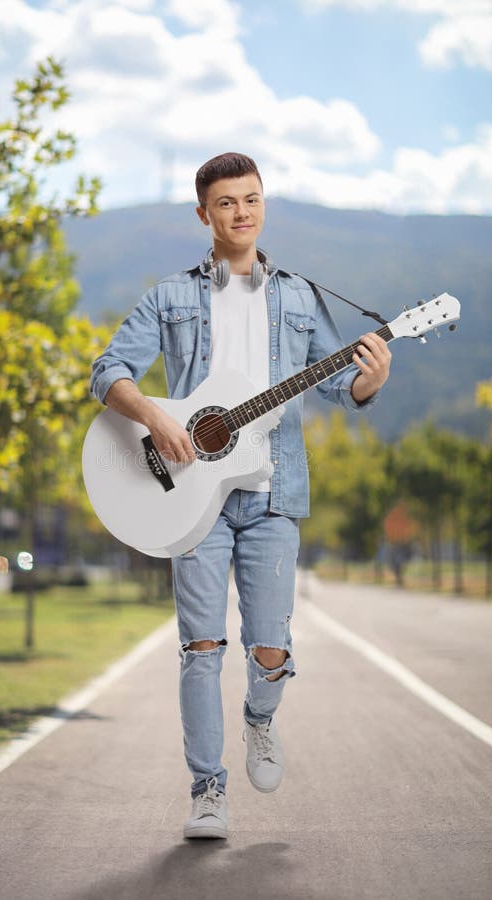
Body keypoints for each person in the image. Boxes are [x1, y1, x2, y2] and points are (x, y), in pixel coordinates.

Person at [90, 152, 391, 840]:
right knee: (200, 647)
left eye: (251, 198)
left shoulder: (299, 297)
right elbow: (107, 371)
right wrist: (159, 418)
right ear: (204, 213)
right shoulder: (169, 296)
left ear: (264, 204)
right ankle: (206, 789)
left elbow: (340, 386)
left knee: (271, 650)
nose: (241, 211)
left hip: (272, 494)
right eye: (225, 202)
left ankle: (260, 719)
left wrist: (370, 378)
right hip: (193, 497)